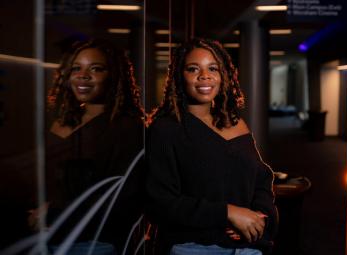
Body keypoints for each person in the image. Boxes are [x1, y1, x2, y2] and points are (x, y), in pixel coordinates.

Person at [146, 38, 278, 255]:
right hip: (194, 247)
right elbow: (160, 203)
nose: (204, 75)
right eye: (193, 69)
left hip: (247, 247)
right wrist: (228, 213)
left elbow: (261, 178)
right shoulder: (166, 129)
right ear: (180, 76)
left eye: (212, 68)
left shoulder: (236, 123)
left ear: (223, 75)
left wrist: (259, 217)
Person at [34, 38, 145, 254]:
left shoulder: (127, 127)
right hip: (47, 238)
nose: (83, 75)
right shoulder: (62, 121)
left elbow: (121, 197)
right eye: (77, 68)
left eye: (96, 69)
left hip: (94, 242)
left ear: (113, 75)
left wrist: (53, 212)